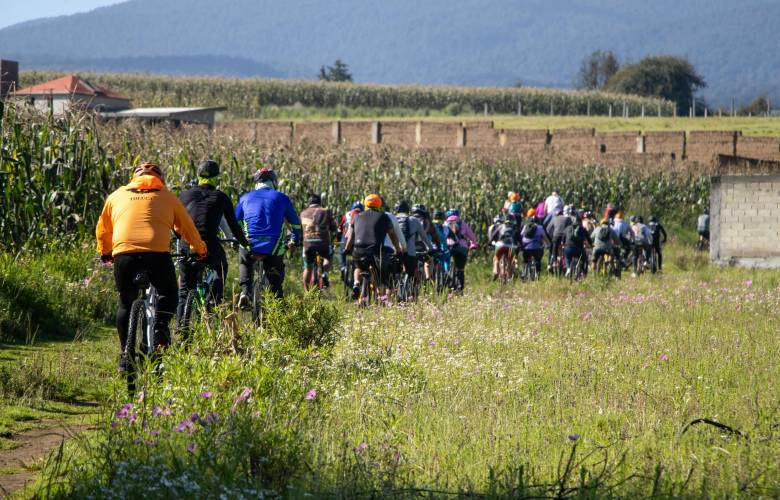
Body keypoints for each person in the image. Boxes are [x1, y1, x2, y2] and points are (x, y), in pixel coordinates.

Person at [96, 162, 207, 372]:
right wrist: (200, 249)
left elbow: (103, 229)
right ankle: (161, 328)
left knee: (126, 304)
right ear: (161, 179)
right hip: (157, 255)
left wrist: (105, 252)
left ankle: (124, 356)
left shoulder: (116, 196)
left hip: (124, 256)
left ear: (134, 177)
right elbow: (188, 228)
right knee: (169, 293)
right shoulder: (167, 197)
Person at [176, 160, 249, 331]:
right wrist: (245, 243)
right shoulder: (221, 197)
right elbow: (233, 225)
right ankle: (213, 301)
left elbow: (175, 222)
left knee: (185, 290)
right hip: (209, 246)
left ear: (198, 176)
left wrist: (178, 238)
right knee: (221, 268)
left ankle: (181, 327)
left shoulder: (184, 195)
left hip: (186, 245)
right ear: (217, 178)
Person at [235, 167, 301, 303]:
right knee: (275, 283)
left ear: (256, 183)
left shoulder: (245, 198)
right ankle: (278, 306)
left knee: (245, 261)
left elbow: (235, 222)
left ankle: (245, 292)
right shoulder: (282, 198)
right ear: (273, 182)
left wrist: (239, 239)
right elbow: (295, 224)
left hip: (250, 244)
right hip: (274, 246)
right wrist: (294, 240)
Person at [344, 194, 403, 299]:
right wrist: (398, 250)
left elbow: (351, 237)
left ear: (365, 204)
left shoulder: (357, 217)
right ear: (379, 204)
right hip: (376, 251)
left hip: (358, 250)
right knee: (380, 272)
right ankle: (380, 296)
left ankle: (356, 283)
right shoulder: (384, 217)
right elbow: (393, 236)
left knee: (358, 266)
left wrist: (347, 249)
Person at [300, 193, 338, 290]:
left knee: (308, 267)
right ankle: (325, 273)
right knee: (328, 257)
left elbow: (300, 230)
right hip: (323, 243)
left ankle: (307, 292)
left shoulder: (303, 213)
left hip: (308, 244)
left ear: (309, 203)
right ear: (320, 202)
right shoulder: (326, 211)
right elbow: (334, 228)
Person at [395, 200, 435, 283]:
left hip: (395, 251)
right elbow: (424, 237)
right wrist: (430, 249)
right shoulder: (413, 220)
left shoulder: (392, 218)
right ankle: (412, 294)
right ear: (408, 210)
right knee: (412, 276)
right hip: (410, 253)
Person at [444, 208, 478, 291]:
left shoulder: (445, 223)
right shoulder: (463, 223)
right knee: (460, 269)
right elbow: (472, 236)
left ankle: (447, 282)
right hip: (462, 248)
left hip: (448, 247)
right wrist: (474, 244)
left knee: (445, 265)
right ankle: (460, 288)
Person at [489, 215, 520, 280]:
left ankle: (496, 271)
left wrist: (490, 243)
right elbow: (519, 239)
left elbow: (493, 236)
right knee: (511, 261)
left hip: (500, 245)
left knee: (496, 259)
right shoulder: (514, 228)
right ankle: (509, 277)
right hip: (511, 246)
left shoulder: (500, 227)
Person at [562, 213, 592, 277]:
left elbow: (563, 238)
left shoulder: (568, 228)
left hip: (568, 248)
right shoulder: (583, 229)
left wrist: (563, 244)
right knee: (585, 259)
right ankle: (584, 273)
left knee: (567, 257)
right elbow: (589, 239)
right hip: (579, 249)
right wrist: (592, 244)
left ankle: (568, 268)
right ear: (580, 221)